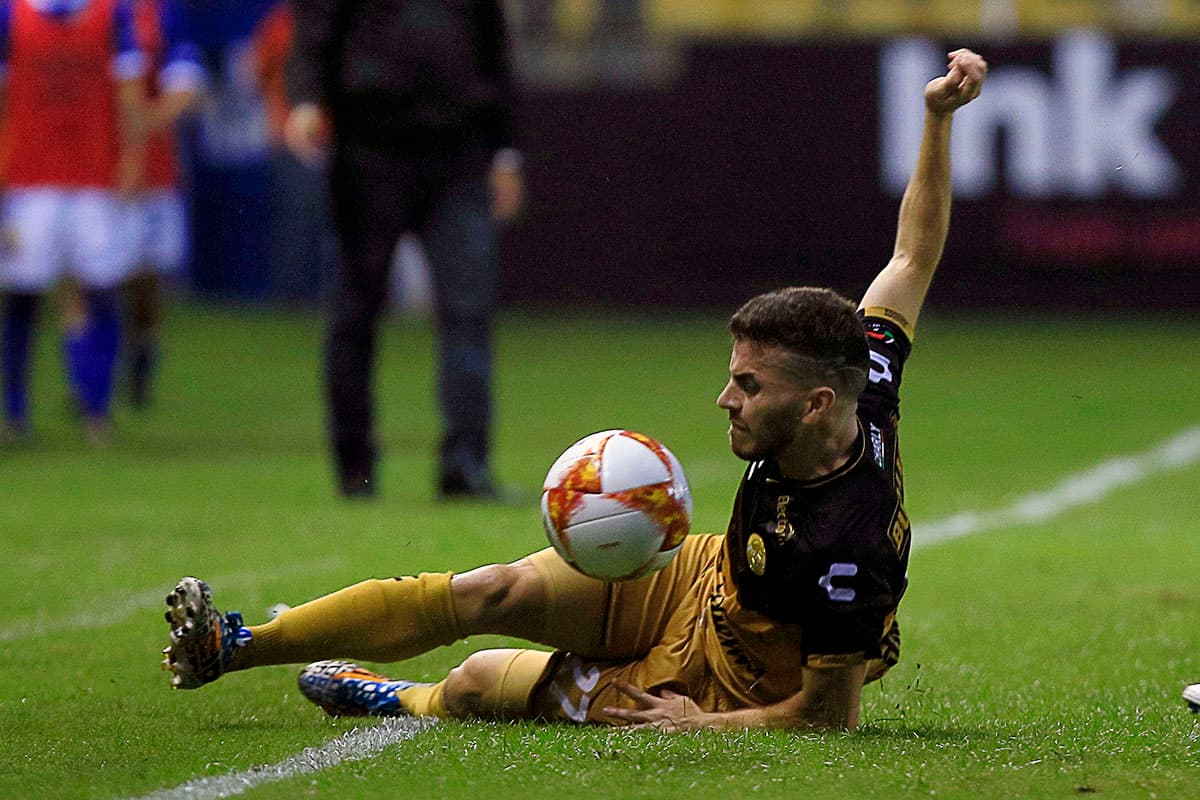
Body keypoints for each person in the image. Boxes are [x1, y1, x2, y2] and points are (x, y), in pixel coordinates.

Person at [161, 49, 987, 730]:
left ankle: (396, 696)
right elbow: (912, 257)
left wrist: (705, 725)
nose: (724, 400)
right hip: (707, 576)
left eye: (747, 385)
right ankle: (233, 646)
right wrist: (938, 119)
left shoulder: (849, 543)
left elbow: (825, 717)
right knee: (492, 589)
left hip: (735, 678)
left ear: (815, 405)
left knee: (482, 681)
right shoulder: (862, 371)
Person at [284, 0, 526, 499]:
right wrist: (307, 100)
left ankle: (465, 464)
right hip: (369, 149)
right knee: (355, 312)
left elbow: (494, 48)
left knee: (468, 312)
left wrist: (505, 150)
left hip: (457, 152)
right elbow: (313, 32)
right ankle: (355, 468)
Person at [0, 0, 146, 444]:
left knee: (102, 290)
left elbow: (130, 91)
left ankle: (96, 409)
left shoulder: (113, 13)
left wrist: (133, 156)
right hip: (28, 179)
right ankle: (14, 411)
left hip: (94, 177)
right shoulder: (10, 14)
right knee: (21, 295)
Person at [122, 0, 204, 408]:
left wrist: (142, 125)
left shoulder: (162, 12)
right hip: (88, 167)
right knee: (84, 277)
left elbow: (188, 88)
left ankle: (141, 345)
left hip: (152, 170)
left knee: (144, 275)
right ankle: (89, 381)